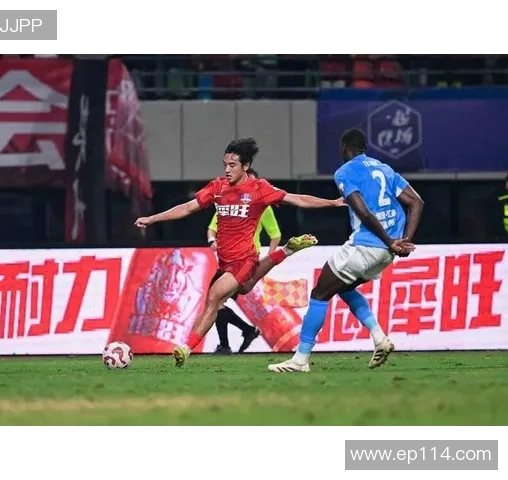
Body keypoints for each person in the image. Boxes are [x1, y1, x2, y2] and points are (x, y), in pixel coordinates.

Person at [134, 137, 344, 367]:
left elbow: (297, 199)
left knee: (214, 297)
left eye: (232, 165)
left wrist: (332, 203)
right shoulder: (217, 187)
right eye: (225, 164)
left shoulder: (259, 189)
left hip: (245, 259)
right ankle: (286, 251)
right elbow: (187, 207)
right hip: (224, 261)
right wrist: (152, 219)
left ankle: (185, 348)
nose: (227, 170)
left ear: (245, 166)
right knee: (244, 288)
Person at [268, 128, 424, 373]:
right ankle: (379, 338)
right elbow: (416, 202)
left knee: (319, 293)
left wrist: (389, 241)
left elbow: (363, 212)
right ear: (365, 148)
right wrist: (403, 241)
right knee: (343, 287)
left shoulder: (345, 172)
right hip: (386, 252)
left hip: (368, 245)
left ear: (343, 148)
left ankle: (300, 360)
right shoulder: (384, 168)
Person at [207, 167, 281, 354]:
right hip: (227, 260)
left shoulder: (262, 204)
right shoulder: (228, 202)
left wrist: (268, 261)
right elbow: (212, 227)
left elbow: (275, 235)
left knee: (216, 301)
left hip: (246, 260)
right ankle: (246, 332)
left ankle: (226, 344)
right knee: (215, 301)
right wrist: (212, 240)